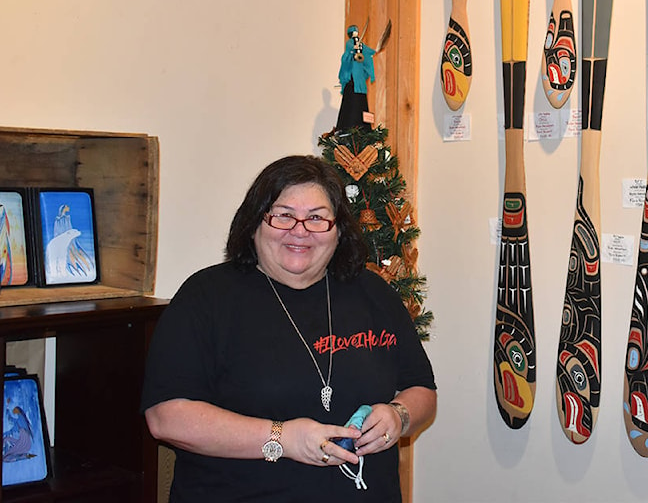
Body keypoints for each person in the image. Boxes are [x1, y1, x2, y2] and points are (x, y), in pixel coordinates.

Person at [141, 155, 436, 502]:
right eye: (283, 215)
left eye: (316, 218)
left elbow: (422, 391)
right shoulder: (206, 297)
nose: (300, 230)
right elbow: (166, 417)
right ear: (255, 223)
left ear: (338, 230)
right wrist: (284, 439)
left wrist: (398, 416)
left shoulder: (373, 293)